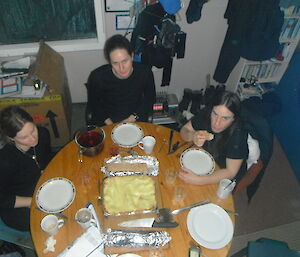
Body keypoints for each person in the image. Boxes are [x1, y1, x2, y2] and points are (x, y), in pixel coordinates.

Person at [179, 90, 249, 185]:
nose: (217, 123)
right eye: (215, 114)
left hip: (222, 173)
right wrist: (193, 135)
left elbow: (231, 172)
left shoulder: (239, 134)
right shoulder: (206, 113)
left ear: (234, 119)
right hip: (203, 158)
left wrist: (200, 181)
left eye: (225, 118)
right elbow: (185, 129)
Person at [0, 106, 51, 231]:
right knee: (50, 222)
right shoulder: (5, 160)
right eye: (24, 137)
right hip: (17, 202)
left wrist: (44, 170)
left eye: (33, 130)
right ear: (11, 138)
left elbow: (47, 157)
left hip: (39, 185)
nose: (33, 138)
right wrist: (31, 201)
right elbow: (3, 199)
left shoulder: (43, 133)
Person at [86, 34, 156, 126]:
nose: (121, 68)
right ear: (109, 62)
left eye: (125, 61)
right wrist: (110, 124)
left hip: (135, 117)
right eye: (115, 63)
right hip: (107, 120)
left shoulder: (145, 73)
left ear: (132, 56)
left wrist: (131, 119)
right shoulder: (97, 76)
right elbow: (94, 103)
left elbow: (150, 98)